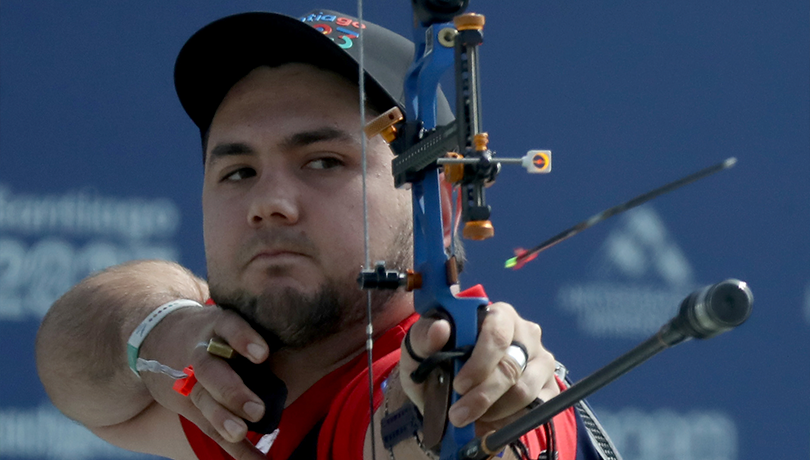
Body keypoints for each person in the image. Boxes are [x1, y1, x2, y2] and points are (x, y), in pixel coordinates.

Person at [35, 9, 615, 460]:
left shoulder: (452, 364)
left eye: (323, 162)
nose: (268, 203)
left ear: (437, 207)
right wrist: (158, 329)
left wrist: (468, 402)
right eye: (239, 171)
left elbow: (414, 425)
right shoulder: (236, 393)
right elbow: (70, 355)